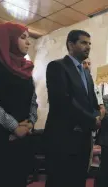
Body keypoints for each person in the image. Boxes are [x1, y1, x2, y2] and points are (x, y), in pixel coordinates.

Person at [44, 30, 101, 187]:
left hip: (83, 139)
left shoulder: (87, 74)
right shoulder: (57, 66)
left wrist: (97, 116)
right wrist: (91, 120)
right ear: (70, 44)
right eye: (83, 43)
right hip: (63, 138)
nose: (88, 47)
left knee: (78, 180)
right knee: (60, 180)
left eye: (89, 44)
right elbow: (63, 101)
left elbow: (93, 103)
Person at [0, 22, 38, 187]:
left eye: (29, 38)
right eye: (23, 37)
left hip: (23, 136)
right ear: (8, 39)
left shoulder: (25, 69)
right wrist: (14, 126)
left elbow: (33, 100)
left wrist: (31, 122)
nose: (28, 42)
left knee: (19, 178)